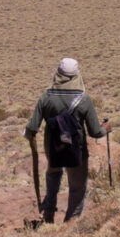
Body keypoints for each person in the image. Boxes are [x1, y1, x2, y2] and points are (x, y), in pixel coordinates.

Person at [24, 57, 107, 223]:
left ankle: (48, 214)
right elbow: (95, 132)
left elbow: (32, 127)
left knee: (53, 176)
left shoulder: (46, 97)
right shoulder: (84, 99)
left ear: (58, 74)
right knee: (77, 188)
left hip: (53, 147)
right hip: (77, 150)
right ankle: (70, 224)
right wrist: (107, 129)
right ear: (77, 75)